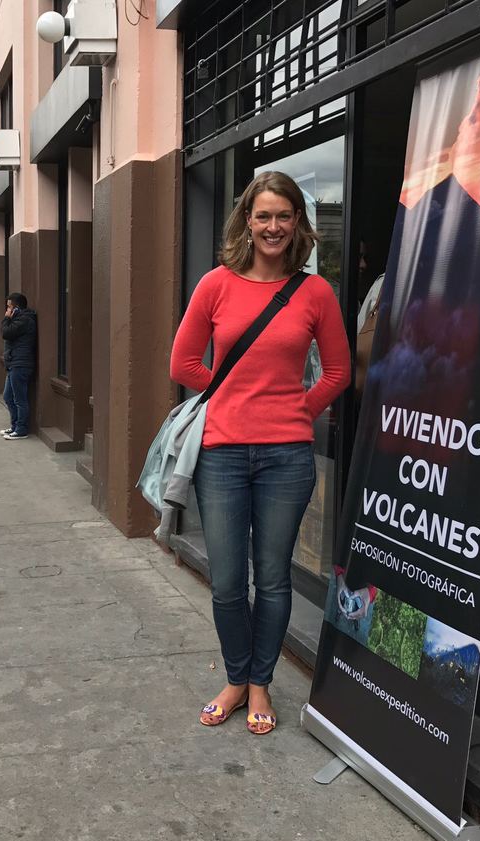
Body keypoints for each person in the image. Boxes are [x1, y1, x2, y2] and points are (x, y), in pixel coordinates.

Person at [169, 171, 351, 735]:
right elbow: (183, 365)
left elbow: (340, 371)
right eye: (263, 215)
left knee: (273, 579)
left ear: (299, 223)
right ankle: (235, 676)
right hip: (221, 454)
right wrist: (225, 400)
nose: (273, 226)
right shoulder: (216, 285)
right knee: (227, 580)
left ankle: (260, 684)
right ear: (246, 220)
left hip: (287, 458)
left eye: (284, 216)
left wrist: (298, 408)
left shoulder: (314, 293)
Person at [0, 292, 37, 439]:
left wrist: (6, 318)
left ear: (16, 308)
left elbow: (5, 333)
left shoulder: (24, 320)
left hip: (20, 363)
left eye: (9, 307)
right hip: (14, 362)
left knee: (19, 398)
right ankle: (15, 425)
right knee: (8, 396)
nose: (7, 310)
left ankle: (21, 429)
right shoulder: (20, 319)